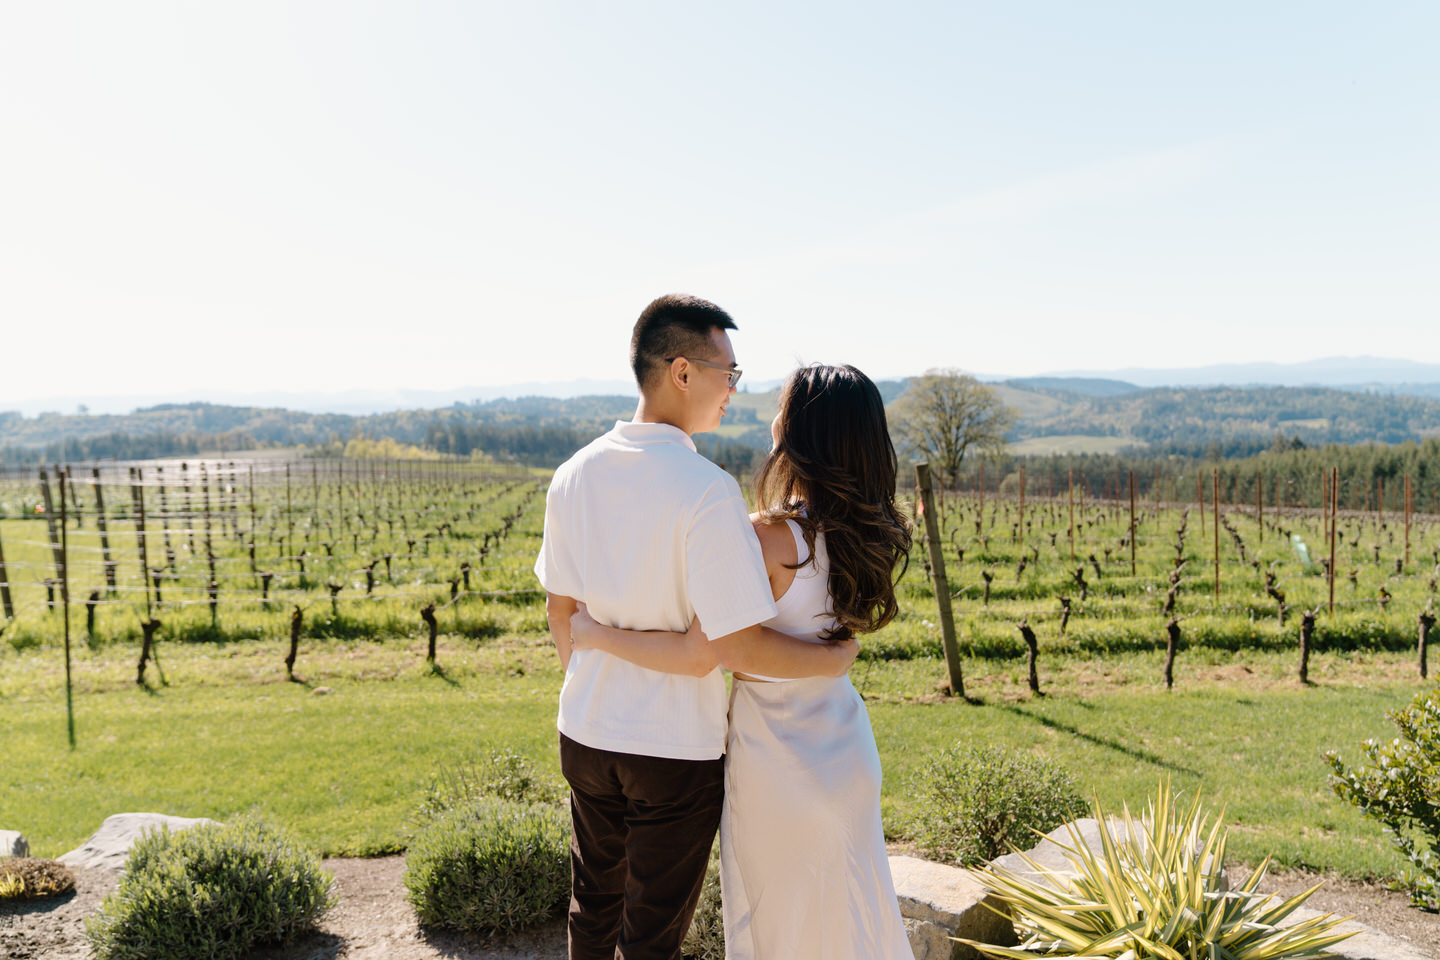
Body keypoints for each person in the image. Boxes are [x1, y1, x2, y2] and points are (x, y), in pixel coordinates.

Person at [534, 295, 858, 960]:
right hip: (672, 749)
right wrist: (832, 660)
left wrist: (598, 676)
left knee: (591, 910)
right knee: (649, 938)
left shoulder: (571, 474)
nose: (734, 390)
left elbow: (560, 612)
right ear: (682, 372)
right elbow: (706, 655)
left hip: (585, 731)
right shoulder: (707, 490)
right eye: (728, 373)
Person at [570, 363, 915, 960]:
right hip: (846, 744)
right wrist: (834, 661)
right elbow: (830, 642)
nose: (773, 415)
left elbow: (722, 649)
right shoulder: (865, 532)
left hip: (777, 754)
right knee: (853, 916)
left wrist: (595, 633)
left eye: (783, 406)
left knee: (780, 923)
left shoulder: (767, 537)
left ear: (801, 430)